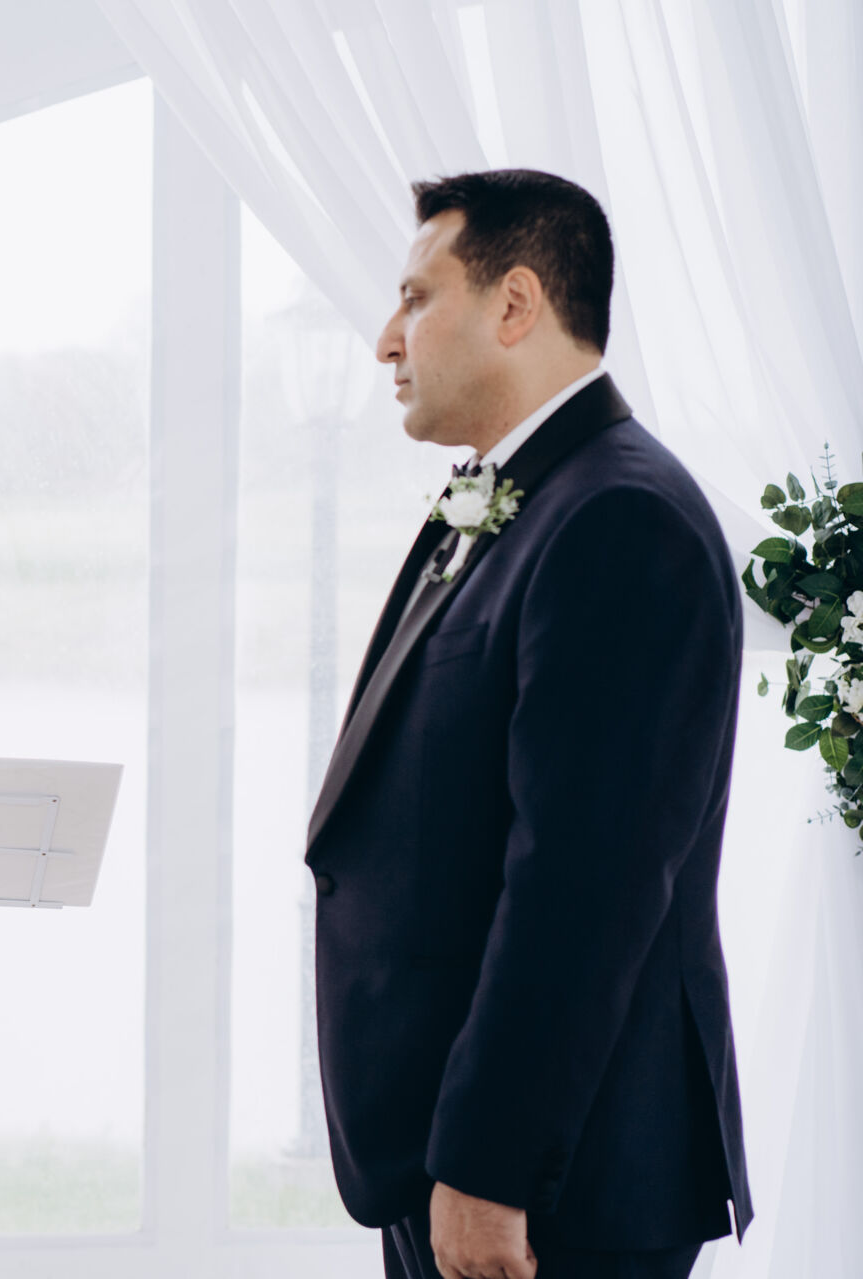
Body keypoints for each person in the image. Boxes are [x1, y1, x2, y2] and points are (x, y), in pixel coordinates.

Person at [306, 169, 753, 1279]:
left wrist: (490, 1168)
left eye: (416, 299)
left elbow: (582, 888)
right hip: (447, 1145)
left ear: (515, 304)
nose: (386, 340)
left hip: (557, 1183)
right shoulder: (524, 492)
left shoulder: (621, 517)